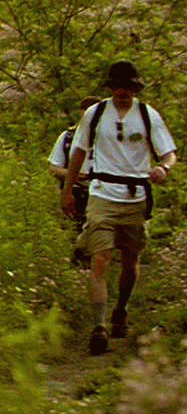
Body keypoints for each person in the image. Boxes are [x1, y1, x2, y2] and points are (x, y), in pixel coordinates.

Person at [61, 60, 177, 355]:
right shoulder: (96, 114)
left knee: (130, 260)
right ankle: (98, 325)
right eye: (118, 87)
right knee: (99, 259)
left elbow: (169, 152)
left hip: (136, 195)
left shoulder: (148, 115)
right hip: (102, 193)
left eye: (128, 87)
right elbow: (78, 151)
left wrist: (163, 168)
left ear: (135, 88)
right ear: (111, 88)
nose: (123, 92)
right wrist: (68, 189)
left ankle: (121, 309)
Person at [48, 96, 101, 231]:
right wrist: (73, 175)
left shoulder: (113, 137)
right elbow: (54, 168)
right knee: (76, 234)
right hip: (77, 193)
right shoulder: (68, 137)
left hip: (105, 194)